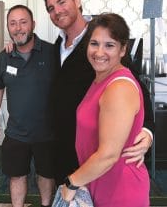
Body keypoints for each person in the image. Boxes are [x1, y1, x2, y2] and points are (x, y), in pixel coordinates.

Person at [43, 0, 154, 186]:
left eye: (62, 2)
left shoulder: (100, 40)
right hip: (63, 147)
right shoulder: (57, 45)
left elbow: (135, 85)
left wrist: (147, 130)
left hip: (94, 152)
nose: (57, 11)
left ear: (77, 1)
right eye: (51, 8)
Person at [60, 12, 149, 206]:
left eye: (109, 45)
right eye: (94, 43)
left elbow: (108, 154)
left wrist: (71, 183)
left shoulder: (119, 87)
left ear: (123, 50)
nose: (99, 52)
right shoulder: (99, 79)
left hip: (120, 189)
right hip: (96, 181)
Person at [0, 5, 56, 207]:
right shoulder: (3, 57)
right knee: (17, 176)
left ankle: (46, 205)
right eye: (13, 23)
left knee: (46, 175)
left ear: (33, 24)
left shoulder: (52, 53)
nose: (18, 28)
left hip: (48, 133)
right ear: (8, 28)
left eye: (23, 22)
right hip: (16, 133)